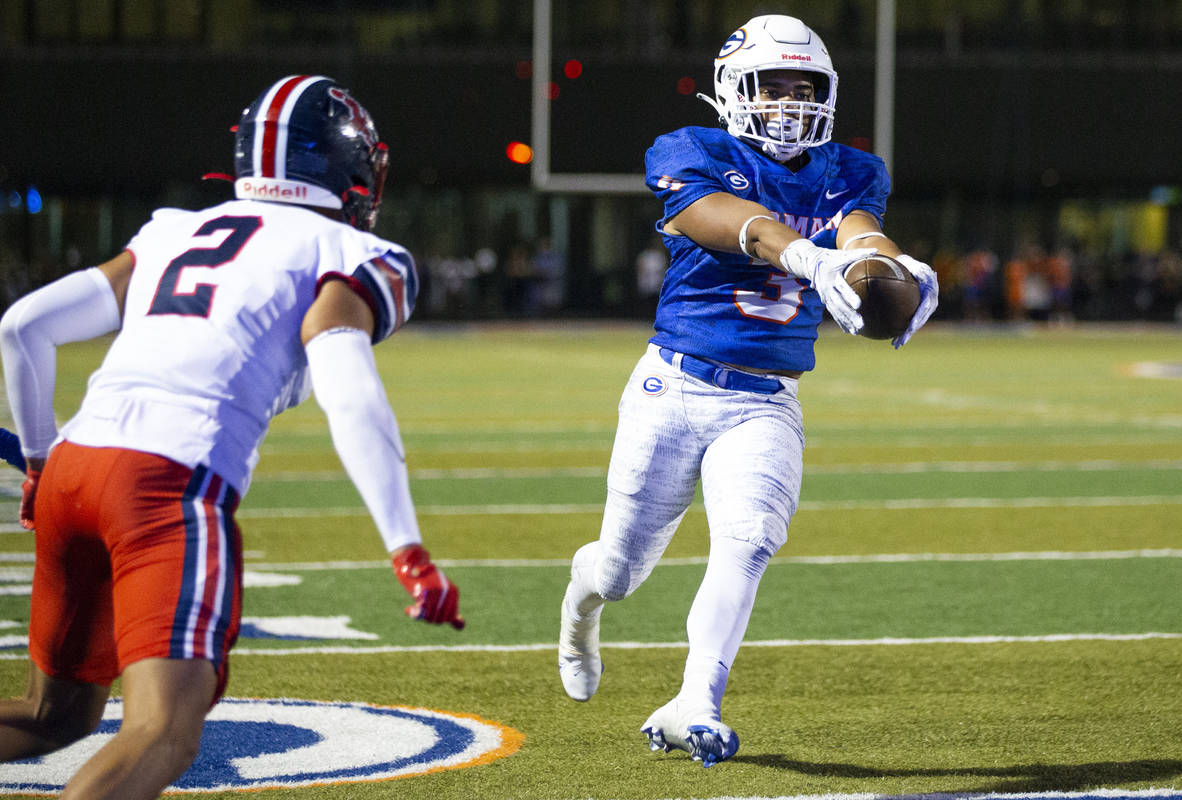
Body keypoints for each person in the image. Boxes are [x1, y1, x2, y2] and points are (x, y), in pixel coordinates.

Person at [0, 74, 464, 799]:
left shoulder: (170, 229)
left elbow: (23, 327)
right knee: (162, 731)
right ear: (345, 164)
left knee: (50, 714)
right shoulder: (346, 251)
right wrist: (407, 548)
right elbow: (347, 385)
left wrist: (36, 463)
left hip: (73, 468)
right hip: (166, 486)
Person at [557, 15, 938, 767]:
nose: (791, 103)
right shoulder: (691, 149)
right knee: (621, 572)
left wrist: (895, 269)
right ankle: (580, 603)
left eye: (805, 87)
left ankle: (695, 698)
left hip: (765, 399)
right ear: (736, 90)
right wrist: (808, 258)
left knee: (749, 539)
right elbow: (733, 224)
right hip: (675, 385)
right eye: (774, 86)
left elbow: (861, 232)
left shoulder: (850, 169)